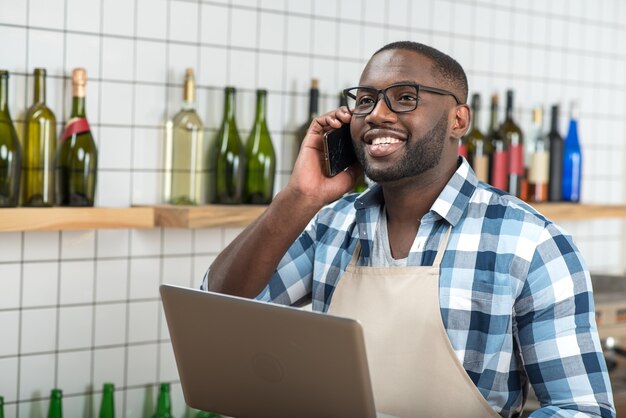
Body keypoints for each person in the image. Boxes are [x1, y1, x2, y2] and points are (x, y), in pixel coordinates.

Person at [201, 41, 615, 417]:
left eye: (404, 98)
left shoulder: (531, 243)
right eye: (365, 100)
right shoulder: (331, 223)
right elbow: (216, 310)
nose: (378, 114)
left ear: (458, 119)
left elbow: (580, 409)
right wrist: (299, 196)